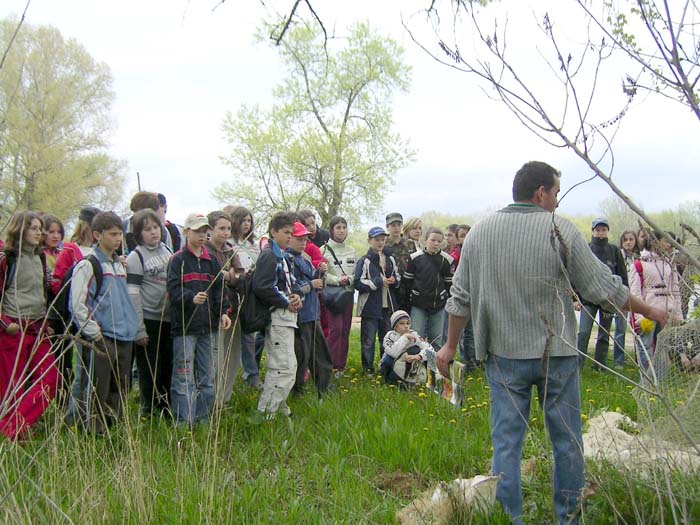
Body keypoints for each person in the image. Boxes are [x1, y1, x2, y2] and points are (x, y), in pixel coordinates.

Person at [437, 161, 669, 525]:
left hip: (504, 354)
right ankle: (569, 518)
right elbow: (603, 288)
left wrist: (450, 347)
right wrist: (651, 310)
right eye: (556, 192)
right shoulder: (560, 229)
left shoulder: (480, 232)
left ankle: (508, 519)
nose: (558, 200)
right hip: (557, 353)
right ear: (540, 192)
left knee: (507, 443)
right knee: (567, 441)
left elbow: (460, 298)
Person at [70, 211, 139, 434]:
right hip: (102, 336)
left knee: (119, 388)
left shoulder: (119, 264)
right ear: (97, 234)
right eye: (112, 234)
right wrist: (95, 333)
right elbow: (78, 304)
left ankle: (114, 430)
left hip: (124, 335)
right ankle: (93, 433)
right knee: (97, 389)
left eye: (120, 234)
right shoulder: (89, 265)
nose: (118, 239)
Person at [0, 211, 60, 441]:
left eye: (40, 228)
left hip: (37, 328)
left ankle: (13, 427)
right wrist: (6, 324)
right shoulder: (6, 259)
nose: (39, 233)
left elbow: (42, 294)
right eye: (34, 228)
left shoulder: (40, 257)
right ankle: (13, 435)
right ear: (20, 229)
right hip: (13, 329)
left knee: (51, 379)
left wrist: (45, 323)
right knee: (11, 388)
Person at [167, 213, 231, 427]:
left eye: (205, 231)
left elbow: (220, 290)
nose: (202, 235)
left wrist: (223, 312)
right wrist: (190, 297)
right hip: (185, 327)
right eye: (197, 231)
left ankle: (203, 420)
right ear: (186, 232)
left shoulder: (212, 260)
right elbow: (172, 290)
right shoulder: (177, 260)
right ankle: (183, 422)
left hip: (208, 327)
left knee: (207, 376)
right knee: (183, 377)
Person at [52, 205, 100, 424]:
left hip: (93, 314)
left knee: (89, 367)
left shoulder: (100, 252)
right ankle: (67, 409)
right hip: (70, 314)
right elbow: (57, 282)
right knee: (71, 365)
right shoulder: (70, 250)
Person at [252, 212, 302, 418]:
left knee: (287, 365)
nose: (290, 236)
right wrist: (286, 302)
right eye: (286, 232)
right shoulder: (269, 255)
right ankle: (266, 412)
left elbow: (287, 284)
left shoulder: (281, 255)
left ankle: (280, 408)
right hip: (277, 317)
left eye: (291, 233)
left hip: (286, 318)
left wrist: (296, 296)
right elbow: (263, 286)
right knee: (283, 367)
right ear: (273, 232)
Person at [126, 209, 173, 417]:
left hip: (168, 319)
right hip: (148, 319)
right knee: (149, 368)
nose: (153, 232)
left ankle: (166, 407)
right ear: (139, 233)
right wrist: (139, 328)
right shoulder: (136, 257)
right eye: (147, 229)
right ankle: (149, 409)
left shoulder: (168, 251)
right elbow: (133, 293)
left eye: (155, 227)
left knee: (167, 365)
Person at [575, 218, 628, 371]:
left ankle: (600, 365)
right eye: (597, 230)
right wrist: (575, 298)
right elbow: (577, 274)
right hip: (588, 299)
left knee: (604, 334)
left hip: (608, 300)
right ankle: (577, 366)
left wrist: (623, 300)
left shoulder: (614, 250)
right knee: (583, 332)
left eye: (603, 230)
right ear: (593, 231)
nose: (600, 233)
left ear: (607, 231)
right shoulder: (586, 249)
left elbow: (622, 275)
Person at [287, 222, 333, 396]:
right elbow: (293, 288)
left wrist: (321, 272)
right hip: (300, 316)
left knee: (321, 354)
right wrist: (311, 284)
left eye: (305, 239)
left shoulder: (305, 259)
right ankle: (296, 390)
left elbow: (318, 284)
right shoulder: (287, 260)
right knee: (301, 355)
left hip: (313, 314)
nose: (303, 242)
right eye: (299, 239)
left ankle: (324, 388)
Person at [205, 210, 243, 408]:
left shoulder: (231, 251)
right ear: (210, 230)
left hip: (233, 307)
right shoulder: (204, 250)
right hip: (213, 310)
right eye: (221, 228)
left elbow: (241, 276)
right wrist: (226, 276)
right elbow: (209, 276)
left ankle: (224, 399)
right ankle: (212, 399)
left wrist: (230, 276)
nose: (226, 232)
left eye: (228, 228)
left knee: (232, 355)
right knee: (215, 357)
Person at [629, 231, 682, 371]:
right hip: (648, 312)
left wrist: (678, 314)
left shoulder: (669, 264)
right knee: (645, 345)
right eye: (666, 240)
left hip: (666, 312)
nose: (669, 244)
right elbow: (635, 293)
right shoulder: (639, 264)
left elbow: (675, 290)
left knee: (663, 346)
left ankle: (660, 378)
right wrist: (640, 317)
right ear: (655, 242)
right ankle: (648, 377)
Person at [354, 226, 400, 374]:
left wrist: (394, 281)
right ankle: (367, 369)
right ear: (369, 241)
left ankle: (384, 368)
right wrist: (379, 282)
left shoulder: (390, 258)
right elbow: (358, 283)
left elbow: (397, 276)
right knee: (368, 341)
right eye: (377, 240)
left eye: (382, 240)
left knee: (386, 339)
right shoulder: (364, 261)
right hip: (370, 307)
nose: (380, 242)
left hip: (387, 307)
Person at [230, 206, 265, 391]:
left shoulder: (254, 244)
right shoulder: (230, 244)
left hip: (250, 294)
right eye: (243, 220)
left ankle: (251, 374)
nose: (246, 224)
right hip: (233, 292)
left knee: (249, 336)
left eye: (249, 221)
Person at [403, 226, 453, 351]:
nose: (436, 243)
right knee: (415, 338)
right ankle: (415, 362)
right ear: (426, 240)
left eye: (439, 241)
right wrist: (411, 298)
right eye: (433, 240)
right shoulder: (415, 258)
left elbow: (449, 284)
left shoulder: (447, 260)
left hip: (438, 305)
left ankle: (434, 363)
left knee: (436, 339)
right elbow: (407, 281)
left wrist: (444, 297)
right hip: (418, 305)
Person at [322, 216, 356, 375]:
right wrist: (337, 280)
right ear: (332, 230)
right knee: (336, 329)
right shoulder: (324, 250)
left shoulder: (352, 250)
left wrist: (349, 279)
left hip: (348, 294)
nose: (342, 230)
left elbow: (356, 273)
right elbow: (322, 274)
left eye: (344, 227)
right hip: (333, 296)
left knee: (345, 330)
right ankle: (328, 364)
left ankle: (340, 367)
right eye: (338, 227)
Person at [379, 310, 434, 386]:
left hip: (409, 365)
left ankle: (413, 379)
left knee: (416, 350)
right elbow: (394, 353)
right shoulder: (390, 336)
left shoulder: (414, 334)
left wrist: (419, 356)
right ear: (395, 326)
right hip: (392, 365)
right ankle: (387, 379)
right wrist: (405, 337)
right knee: (387, 358)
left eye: (408, 323)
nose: (406, 326)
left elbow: (429, 348)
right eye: (402, 323)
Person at [612, 230, 639, 367]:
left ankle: (640, 359)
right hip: (622, 296)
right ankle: (619, 361)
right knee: (620, 329)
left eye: (631, 239)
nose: (628, 242)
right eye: (625, 239)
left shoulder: (639, 258)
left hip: (637, 296)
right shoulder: (618, 255)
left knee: (638, 328)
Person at [385, 212, 412, 311]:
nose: (396, 228)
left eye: (399, 225)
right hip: (391, 287)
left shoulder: (410, 244)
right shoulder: (383, 244)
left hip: (408, 287)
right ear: (387, 227)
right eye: (393, 225)